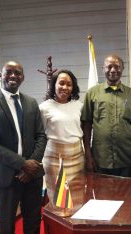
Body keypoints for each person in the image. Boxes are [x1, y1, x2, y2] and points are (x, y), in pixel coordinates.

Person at [0, 61, 47, 234]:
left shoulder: (31, 103)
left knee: (33, 220)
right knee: (7, 224)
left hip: (32, 176)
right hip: (6, 175)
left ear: (23, 77)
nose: (13, 76)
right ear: (0, 75)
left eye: (18, 72)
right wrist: (23, 164)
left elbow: (41, 136)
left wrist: (31, 166)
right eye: (8, 72)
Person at [81, 53, 131, 177]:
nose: (113, 70)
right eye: (109, 67)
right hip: (100, 160)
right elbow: (87, 127)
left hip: (127, 159)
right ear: (103, 69)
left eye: (117, 67)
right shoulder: (92, 94)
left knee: (128, 195)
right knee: (102, 196)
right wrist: (88, 156)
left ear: (122, 69)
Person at [39, 69, 84, 208]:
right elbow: (40, 135)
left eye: (69, 84)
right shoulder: (44, 107)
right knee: (59, 200)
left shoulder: (79, 106)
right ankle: (60, 228)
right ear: (54, 85)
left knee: (78, 198)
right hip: (54, 159)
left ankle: (76, 226)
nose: (65, 87)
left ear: (73, 87)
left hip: (77, 157)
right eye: (61, 83)